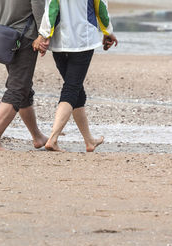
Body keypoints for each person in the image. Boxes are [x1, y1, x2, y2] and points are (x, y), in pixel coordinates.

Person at [33, 0, 118, 152]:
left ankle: (89, 141)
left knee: (76, 90)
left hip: (59, 42)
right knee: (72, 89)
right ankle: (53, 139)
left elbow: (51, 8)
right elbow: (101, 9)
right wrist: (108, 31)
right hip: (83, 39)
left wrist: (44, 35)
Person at [0, 0, 47, 151]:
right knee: (18, 88)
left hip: (4, 35)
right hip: (25, 36)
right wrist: (43, 34)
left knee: (23, 86)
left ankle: (37, 137)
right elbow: (38, 4)